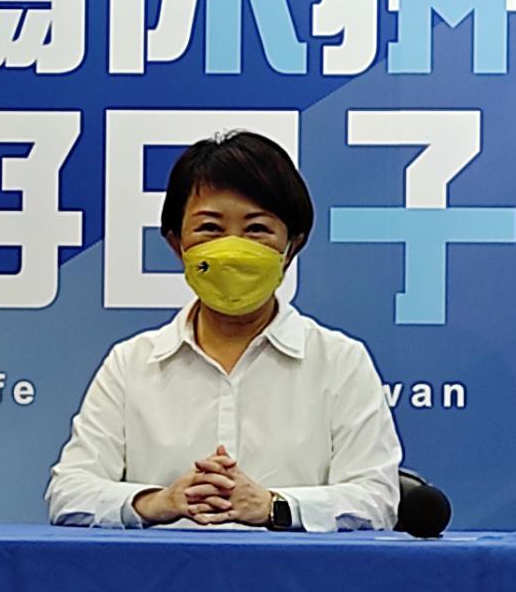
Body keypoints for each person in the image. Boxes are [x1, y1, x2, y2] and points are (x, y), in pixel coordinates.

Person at [47, 132, 402, 532]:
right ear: (177, 244)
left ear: (292, 246)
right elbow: (69, 492)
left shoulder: (339, 361)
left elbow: (377, 499)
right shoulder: (132, 363)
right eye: (210, 229)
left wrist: (274, 506)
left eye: (257, 229)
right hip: (163, 570)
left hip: (296, 572)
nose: (233, 249)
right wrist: (160, 501)